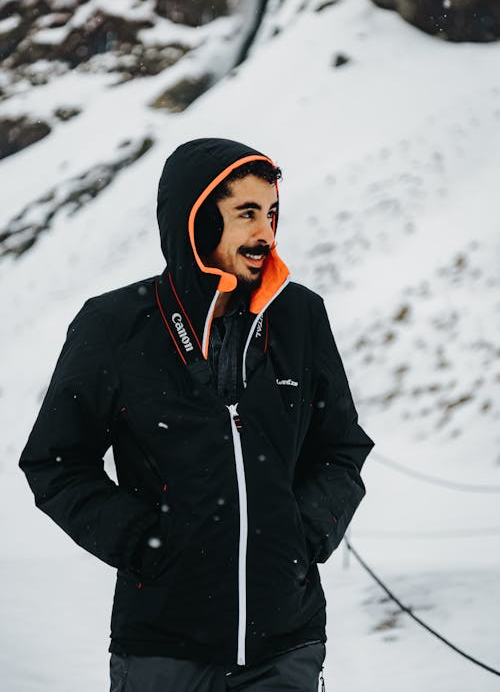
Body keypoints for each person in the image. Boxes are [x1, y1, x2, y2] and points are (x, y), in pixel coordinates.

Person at [19, 137, 374, 691]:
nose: (266, 233)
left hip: (286, 642)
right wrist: (143, 542)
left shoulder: (300, 316)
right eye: (247, 214)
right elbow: (55, 462)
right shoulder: (114, 325)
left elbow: (340, 447)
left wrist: (305, 534)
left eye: (273, 213)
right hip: (163, 646)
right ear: (197, 221)